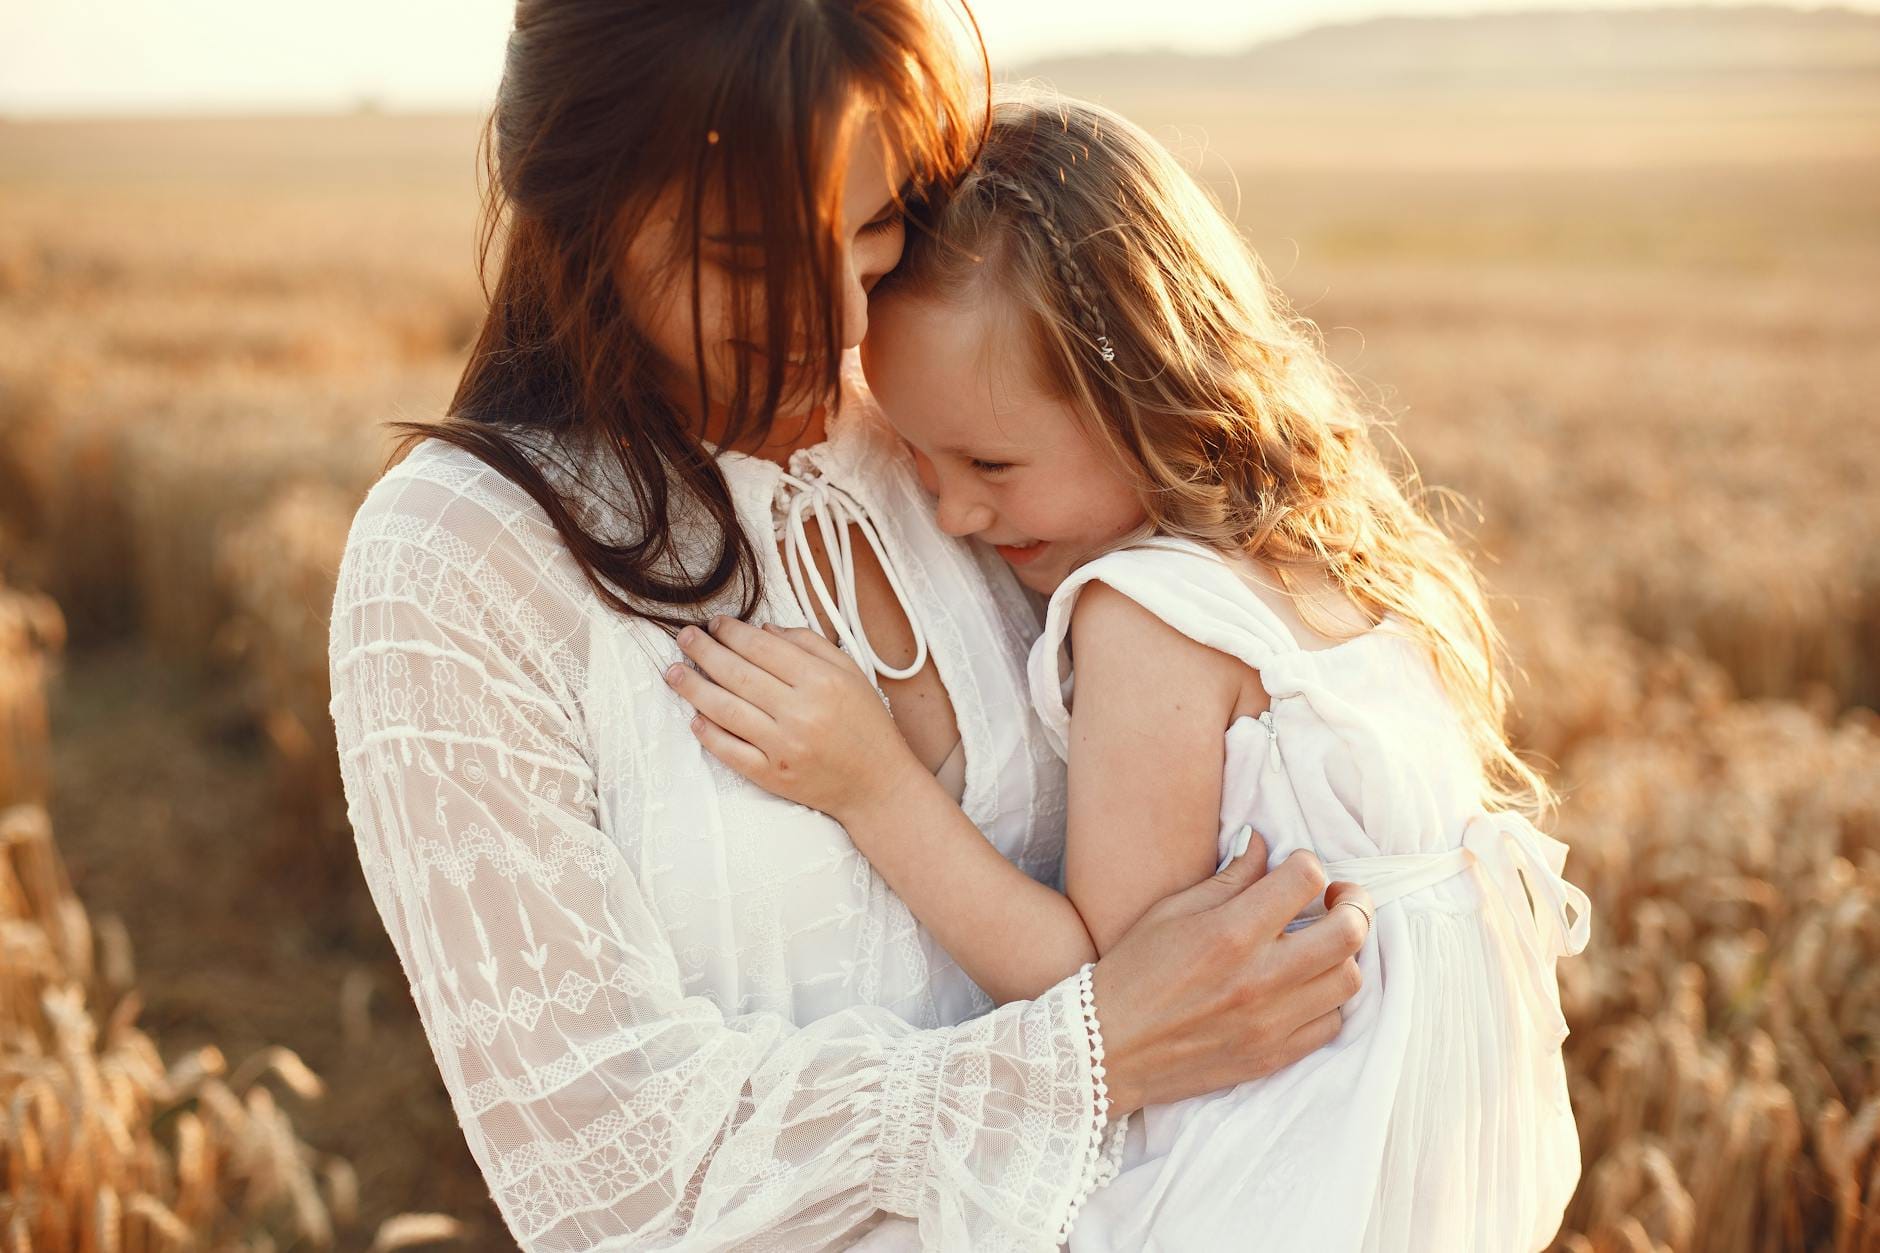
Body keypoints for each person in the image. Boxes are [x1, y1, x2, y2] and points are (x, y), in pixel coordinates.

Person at [327, 6, 1372, 1249]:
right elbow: (606, 1170)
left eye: (874, 235)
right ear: (580, 197)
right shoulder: (457, 562)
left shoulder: (939, 445)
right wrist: (1090, 1053)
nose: (837, 327)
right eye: (753, 253)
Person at [671, 90, 1591, 1250]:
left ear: (1141, 393)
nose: (951, 508)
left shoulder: (1147, 618)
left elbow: (1094, 983)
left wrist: (871, 782)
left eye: (990, 459)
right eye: (915, 453)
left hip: (1265, 1176)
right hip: (1431, 1168)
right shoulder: (1328, 559)